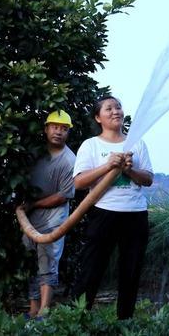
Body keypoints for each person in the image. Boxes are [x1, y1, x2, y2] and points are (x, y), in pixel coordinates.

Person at [72, 95, 153, 319]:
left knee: (131, 271)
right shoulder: (91, 145)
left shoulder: (137, 143)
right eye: (109, 109)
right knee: (91, 269)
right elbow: (79, 182)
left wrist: (129, 171)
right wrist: (108, 166)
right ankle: (77, 319)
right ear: (98, 117)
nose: (116, 111)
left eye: (118, 107)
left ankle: (124, 321)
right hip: (103, 213)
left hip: (135, 214)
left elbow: (148, 179)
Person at [21, 110, 76, 319]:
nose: (59, 132)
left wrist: (32, 204)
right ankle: (33, 308)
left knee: (48, 260)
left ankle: (44, 311)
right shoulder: (36, 153)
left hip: (53, 218)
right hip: (30, 216)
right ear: (46, 129)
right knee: (30, 260)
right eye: (55, 127)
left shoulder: (69, 160)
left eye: (64, 129)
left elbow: (63, 196)